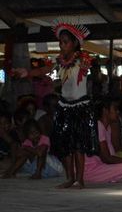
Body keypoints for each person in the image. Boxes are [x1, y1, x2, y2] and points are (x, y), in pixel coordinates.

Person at [13, 20, 99, 189]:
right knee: (64, 145)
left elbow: (87, 66)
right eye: (60, 42)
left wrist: (86, 65)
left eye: (65, 42)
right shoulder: (58, 60)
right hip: (64, 106)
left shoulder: (82, 58)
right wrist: (27, 73)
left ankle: (80, 180)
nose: (61, 45)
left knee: (78, 146)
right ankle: (70, 178)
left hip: (80, 107)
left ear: (74, 43)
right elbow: (44, 70)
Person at [83, 97, 122, 184]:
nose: (118, 112)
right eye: (115, 109)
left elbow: (111, 155)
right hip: (91, 170)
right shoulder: (98, 126)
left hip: (100, 166)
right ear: (105, 110)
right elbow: (106, 158)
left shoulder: (107, 127)